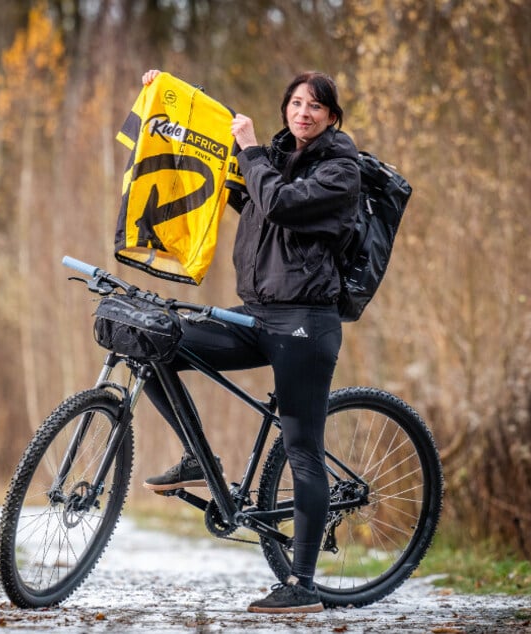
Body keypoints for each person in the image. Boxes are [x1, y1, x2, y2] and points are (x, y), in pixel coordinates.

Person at [139, 69, 360, 613]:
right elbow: (237, 186)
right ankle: (197, 458)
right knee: (158, 345)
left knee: (303, 449)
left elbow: (280, 202)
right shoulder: (276, 159)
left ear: (332, 116)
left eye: (315, 106)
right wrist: (169, 102)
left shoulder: (341, 168)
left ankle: (302, 587)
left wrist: (251, 150)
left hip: (307, 322)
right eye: (295, 102)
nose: (302, 112)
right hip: (259, 315)